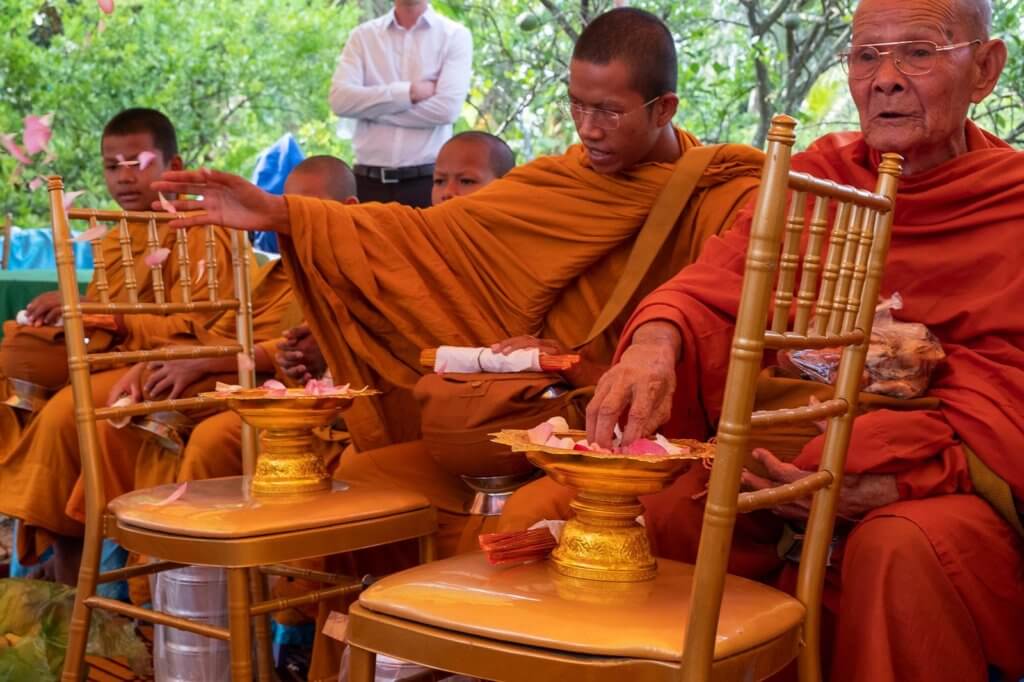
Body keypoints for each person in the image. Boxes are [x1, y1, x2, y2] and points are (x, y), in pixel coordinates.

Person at [504, 1, 1024, 680]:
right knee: (625, 521)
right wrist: (653, 345)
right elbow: (713, 284)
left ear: (984, 68)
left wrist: (897, 479)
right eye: (867, 56)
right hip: (782, 462)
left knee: (896, 550)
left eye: (918, 53)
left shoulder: (1010, 203)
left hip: (939, 481)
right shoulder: (820, 179)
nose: (885, 79)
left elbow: (1008, 399)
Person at [155, 8, 764, 458]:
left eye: (608, 111)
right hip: (540, 406)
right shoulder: (554, 183)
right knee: (387, 462)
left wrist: (575, 358)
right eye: (577, 106)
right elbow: (424, 239)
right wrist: (281, 213)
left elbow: (714, 317)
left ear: (664, 109)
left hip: (638, 427)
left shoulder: (723, 190)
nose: (588, 129)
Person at [0, 109, 239, 584]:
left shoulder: (205, 231)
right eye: (113, 166)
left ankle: (75, 577)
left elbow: (204, 329)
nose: (125, 178)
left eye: (139, 163)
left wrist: (102, 314)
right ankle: (53, 559)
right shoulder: (114, 237)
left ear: (175, 166)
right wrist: (72, 312)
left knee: (66, 414)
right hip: (116, 359)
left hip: (179, 364)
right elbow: (109, 321)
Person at [329, 0, 472, 207]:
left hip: (426, 184)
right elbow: (340, 101)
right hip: (366, 183)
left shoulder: (454, 35)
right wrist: (409, 93)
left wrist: (367, 109)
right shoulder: (362, 36)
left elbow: (445, 110)